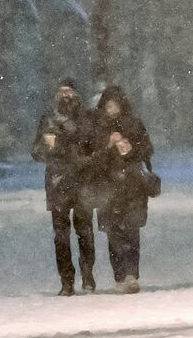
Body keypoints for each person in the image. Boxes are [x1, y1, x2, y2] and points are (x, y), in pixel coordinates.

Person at [31, 78, 99, 296]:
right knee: (60, 236)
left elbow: (92, 146)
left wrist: (77, 154)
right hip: (57, 182)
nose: (65, 95)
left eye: (69, 91)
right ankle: (67, 282)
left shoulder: (86, 117)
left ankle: (87, 275)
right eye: (61, 91)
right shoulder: (48, 118)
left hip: (82, 181)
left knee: (85, 232)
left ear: (76, 94)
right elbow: (35, 151)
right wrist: (46, 146)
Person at [93, 86, 154, 294]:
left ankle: (131, 275)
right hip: (107, 187)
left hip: (132, 185)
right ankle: (119, 275)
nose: (112, 109)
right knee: (113, 233)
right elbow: (92, 158)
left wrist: (131, 149)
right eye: (108, 106)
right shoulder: (98, 127)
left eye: (115, 105)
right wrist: (107, 146)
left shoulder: (134, 124)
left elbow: (147, 149)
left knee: (132, 230)